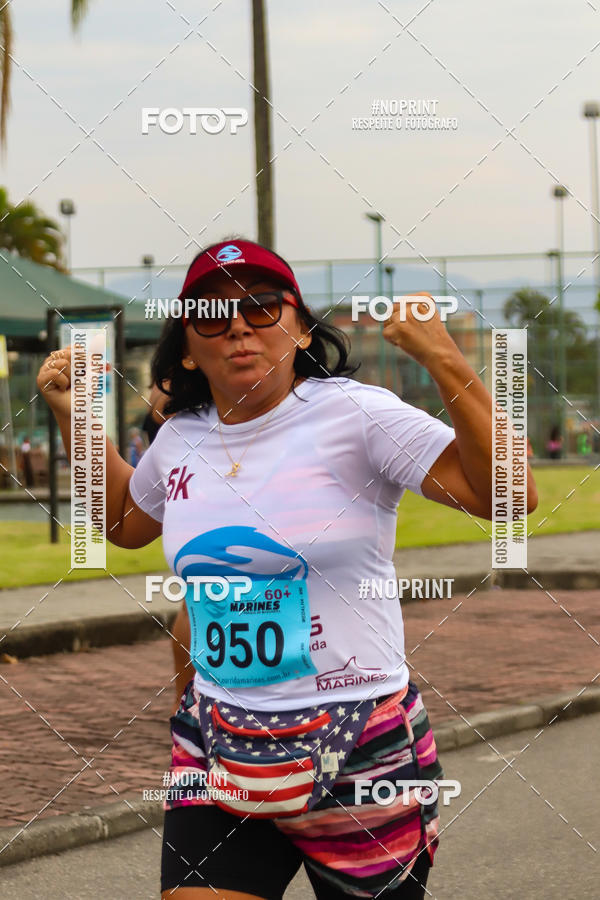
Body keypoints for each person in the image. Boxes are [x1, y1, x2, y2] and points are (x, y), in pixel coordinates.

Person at [37, 239, 538, 900]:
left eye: (262, 305)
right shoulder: (182, 436)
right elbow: (128, 524)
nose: (239, 324)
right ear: (187, 347)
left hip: (360, 748)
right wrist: (77, 421)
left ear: (300, 326)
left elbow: (510, 494)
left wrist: (444, 358)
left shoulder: (356, 414)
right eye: (212, 313)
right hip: (220, 741)